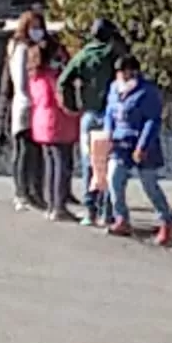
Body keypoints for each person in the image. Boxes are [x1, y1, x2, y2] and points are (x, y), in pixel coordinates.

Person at [59, 17, 125, 226]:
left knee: (90, 163)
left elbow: (63, 81)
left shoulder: (84, 55)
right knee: (108, 163)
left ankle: (90, 210)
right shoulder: (114, 54)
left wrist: (71, 105)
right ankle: (107, 211)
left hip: (89, 114)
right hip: (110, 114)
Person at [104, 55, 172, 246]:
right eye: (119, 72)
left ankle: (166, 221)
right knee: (114, 179)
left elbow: (152, 121)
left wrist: (142, 146)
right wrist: (108, 134)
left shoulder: (147, 92)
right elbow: (109, 113)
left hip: (142, 143)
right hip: (120, 143)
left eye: (125, 71)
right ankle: (121, 219)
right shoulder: (114, 89)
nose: (121, 76)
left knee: (149, 185)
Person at [28, 37, 80, 221]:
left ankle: (51, 205)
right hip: (57, 123)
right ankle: (59, 206)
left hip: (40, 123)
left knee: (50, 164)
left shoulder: (35, 76)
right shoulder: (53, 77)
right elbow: (61, 100)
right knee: (61, 165)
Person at [7, 11, 48, 211]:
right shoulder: (22, 49)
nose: (37, 31)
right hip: (27, 105)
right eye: (34, 27)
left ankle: (27, 192)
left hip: (26, 105)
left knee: (28, 152)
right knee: (26, 152)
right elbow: (23, 82)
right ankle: (23, 192)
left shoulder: (19, 47)